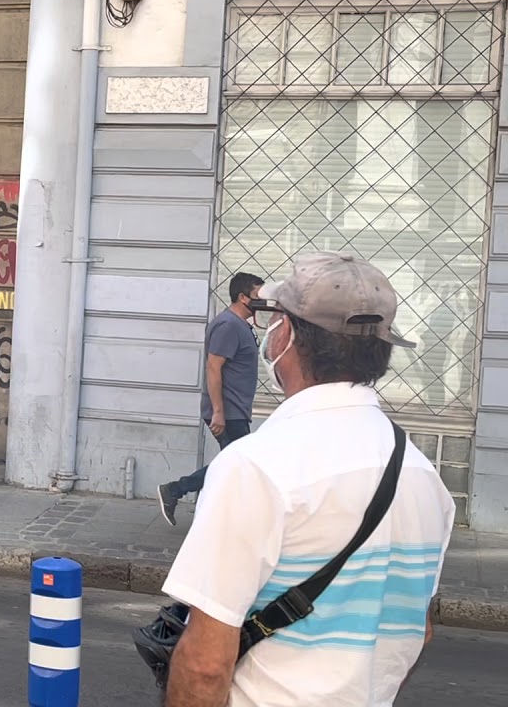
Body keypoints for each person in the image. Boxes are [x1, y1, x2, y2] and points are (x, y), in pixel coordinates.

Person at [159, 251, 455, 707]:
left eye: (276, 320)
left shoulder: (256, 466)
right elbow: (419, 629)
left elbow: (204, 666)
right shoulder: (424, 477)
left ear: (288, 335)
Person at [158, 272, 265, 526]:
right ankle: (175, 490)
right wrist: (218, 411)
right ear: (242, 297)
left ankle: (213, 510)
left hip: (235, 409)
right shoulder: (229, 325)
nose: (263, 303)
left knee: (235, 465)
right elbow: (213, 368)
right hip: (228, 411)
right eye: (258, 297)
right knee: (237, 464)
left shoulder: (241, 325)